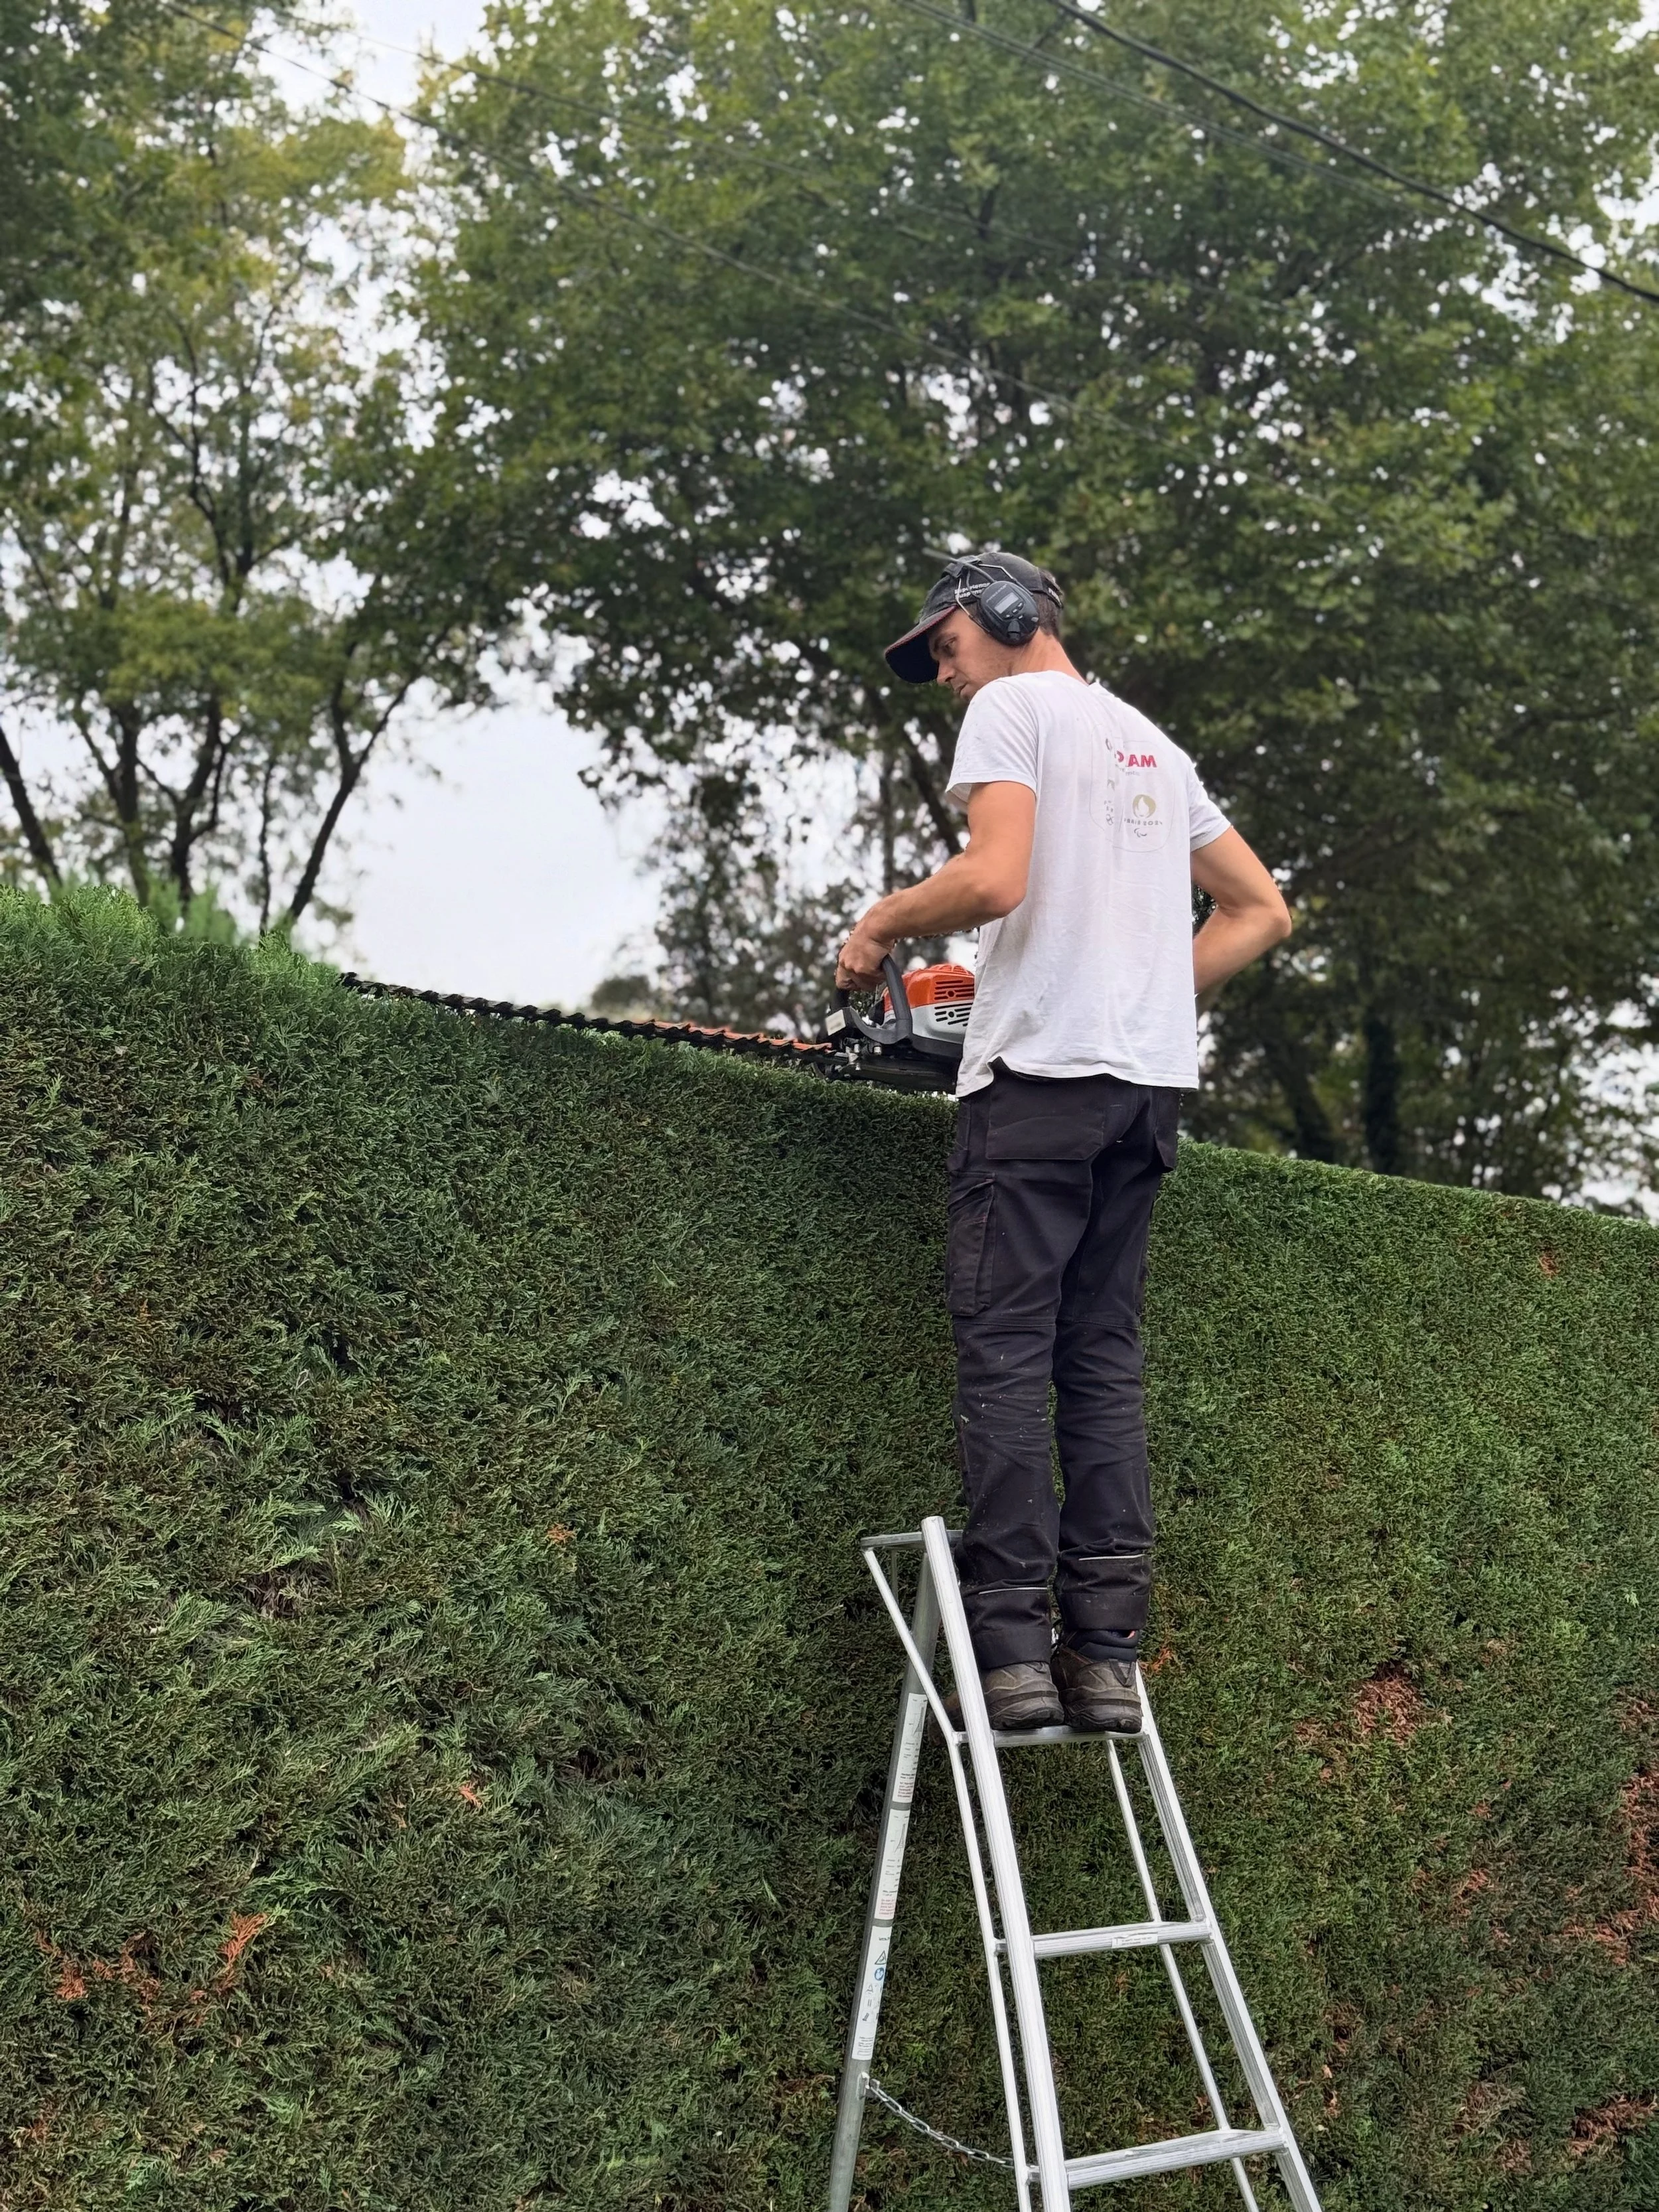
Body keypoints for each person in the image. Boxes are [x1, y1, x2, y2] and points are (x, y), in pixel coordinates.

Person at [836, 554, 1291, 1735]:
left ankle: (1012, 1658)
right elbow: (1260, 910)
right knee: (1100, 1360)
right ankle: (1105, 1658)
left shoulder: (1011, 707)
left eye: (945, 644)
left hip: (1036, 1085)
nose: (944, 672)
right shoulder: (1152, 743)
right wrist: (1141, 994)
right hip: (1142, 1095)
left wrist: (878, 923)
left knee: (1003, 1354)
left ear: (1007, 616)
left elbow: (994, 878)